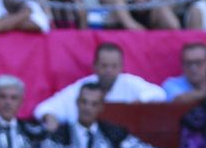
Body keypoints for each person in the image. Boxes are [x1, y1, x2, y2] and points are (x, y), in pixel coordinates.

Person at [48, 83, 193, 148]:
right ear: (77, 103)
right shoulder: (61, 133)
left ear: (101, 107)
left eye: (94, 104)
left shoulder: (113, 132)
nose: (87, 108)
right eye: (84, 102)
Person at [35, 42, 167, 130]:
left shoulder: (130, 82)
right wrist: (49, 118)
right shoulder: (83, 86)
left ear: (121, 67)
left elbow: (160, 93)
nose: (109, 71)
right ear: (95, 66)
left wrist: (140, 101)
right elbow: (44, 108)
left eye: (114, 66)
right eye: (104, 66)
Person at [161, 40, 206, 105]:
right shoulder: (171, 84)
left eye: (198, 62)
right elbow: (178, 101)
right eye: (188, 63)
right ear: (182, 64)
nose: (193, 68)